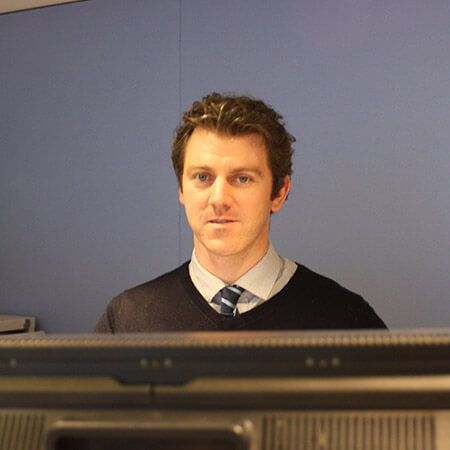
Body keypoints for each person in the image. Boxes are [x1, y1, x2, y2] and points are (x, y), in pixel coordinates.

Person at [94, 93, 386, 333]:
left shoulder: (346, 322)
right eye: (202, 178)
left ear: (279, 192)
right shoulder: (127, 320)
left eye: (242, 178)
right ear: (181, 190)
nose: (219, 199)